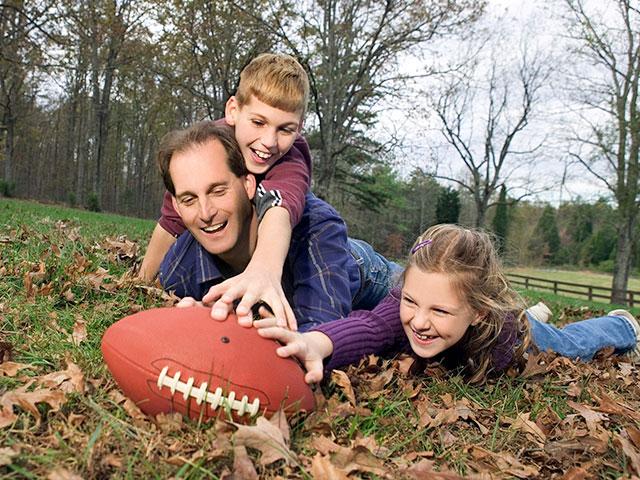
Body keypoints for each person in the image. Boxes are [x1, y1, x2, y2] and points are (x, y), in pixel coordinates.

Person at [256, 224, 640, 384]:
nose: (419, 321)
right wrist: (315, 343)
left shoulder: (502, 338)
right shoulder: (409, 304)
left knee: (565, 344)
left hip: (517, 328)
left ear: (477, 313)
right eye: (411, 301)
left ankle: (623, 325)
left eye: (439, 311)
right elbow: (371, 327)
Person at [157, 121, 400, 331]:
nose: (206, 213)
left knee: (421, 297)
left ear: (248, 185)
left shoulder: (316, 229)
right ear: (177, 208)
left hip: (364, 273)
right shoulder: (178, 270)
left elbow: (319, 333)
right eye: (189, 200)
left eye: (218, 191)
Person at [139, 53, 312, 328]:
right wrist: (141, 283)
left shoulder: (291, 158)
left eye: (285, 129)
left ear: (299, 128)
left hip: (323, 251)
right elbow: (172, 218)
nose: (268, 142)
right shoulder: (209, 145)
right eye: (258, 122)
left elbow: (280, 206)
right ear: (233, 111)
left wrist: (264, 271)